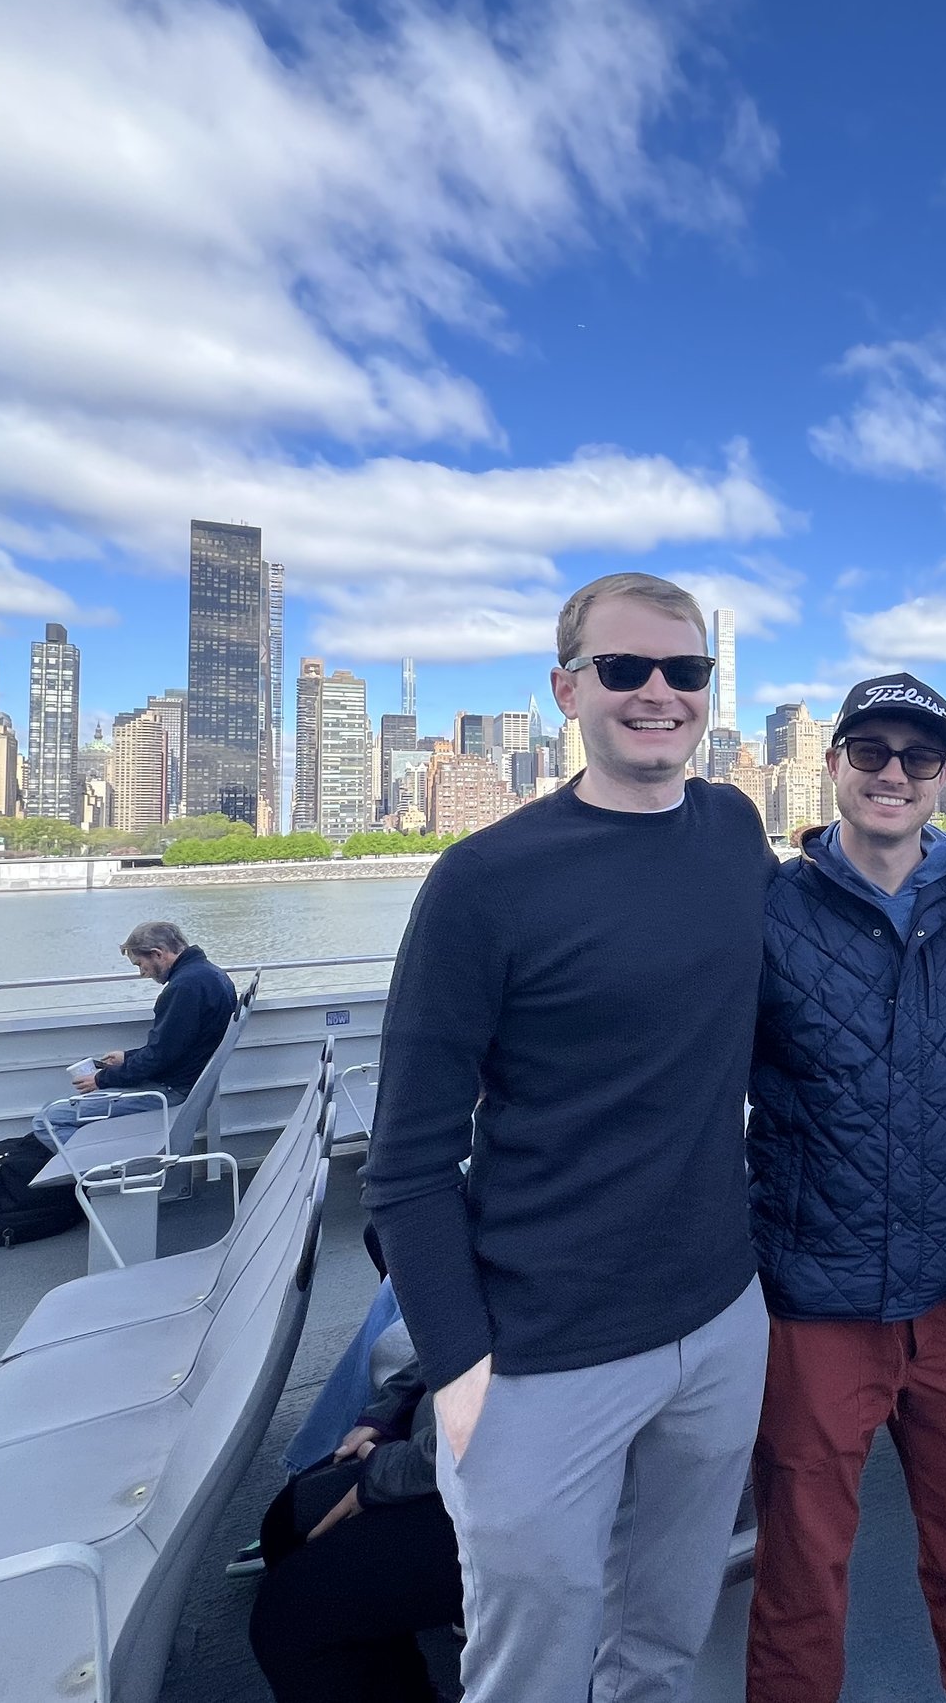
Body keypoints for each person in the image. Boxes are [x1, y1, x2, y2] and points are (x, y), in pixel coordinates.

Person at [364, 572, 774, 1703]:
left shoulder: (735, 829)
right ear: (566, 689)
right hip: (540, 1353)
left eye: (685, 670)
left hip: (721, 1318)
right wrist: (459, 1369)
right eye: (624, 668)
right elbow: (405, 1162)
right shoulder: (483, 882)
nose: (658, 692)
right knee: (528, 1669)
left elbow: (828, 954)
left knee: (663, 1638)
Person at [746, 672, 946, 1703]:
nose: (893, 773)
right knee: (800, 1567)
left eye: (919, 756)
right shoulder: (768, 906)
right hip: (814, 1301)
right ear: (833, 765)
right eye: (870, 752)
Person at [249, 1280, 463, 1702]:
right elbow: (450, 1329)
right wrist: (388, 1411)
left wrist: (388, 1470)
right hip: (455, 1448)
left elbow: (521, 1408)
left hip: (534, 1488)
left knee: (292, 1617)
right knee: (287, 1525)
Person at [34, 921, 236, 1151]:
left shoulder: (184, 988)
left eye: (140, 964)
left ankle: (104, 1169)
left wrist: (101, 1079)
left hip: (170, 1092)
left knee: (48, 1119)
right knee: (54, 1107)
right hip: (189, 1087)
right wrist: (127, 1058)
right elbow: (174, 1047)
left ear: (157, 954)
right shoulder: (213, 974)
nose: (142, 973)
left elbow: (158, 1058)